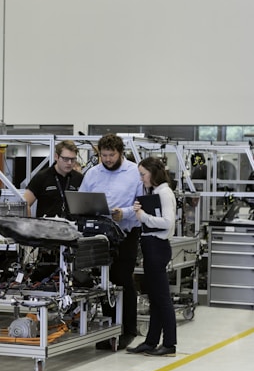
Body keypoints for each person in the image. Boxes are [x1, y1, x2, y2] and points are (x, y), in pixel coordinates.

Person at [79, 134, 141, 349]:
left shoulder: (134, 172)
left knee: (122, 279)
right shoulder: (93, 173)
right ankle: (109, 328)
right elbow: (81, 200)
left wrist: (123, 213)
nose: (107, 159)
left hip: (126, 233)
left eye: (111, 155)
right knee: (104, 283)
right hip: (99, 236)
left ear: (120, 152)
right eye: (103, 155)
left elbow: (141, 204)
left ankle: (128, 329)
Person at [127, 156, 177, 356]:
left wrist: (143, 217)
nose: (141, 179)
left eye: (143, 174)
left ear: (153, 173)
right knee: (155, 298)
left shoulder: (164, 192)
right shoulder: (154, 192)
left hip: (158, 246)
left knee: (162, 298)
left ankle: (170, 344)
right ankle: (151, 341)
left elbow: (167, 222)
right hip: (150, 245)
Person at [24, 140, 83, 218]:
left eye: (73, 159)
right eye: (65, 159)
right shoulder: (42, 177)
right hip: (47, 227)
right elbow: (25, 203)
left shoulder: (79, 178)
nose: (69, 163)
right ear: (56, 157)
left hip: (72, 226)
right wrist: (29, 224)